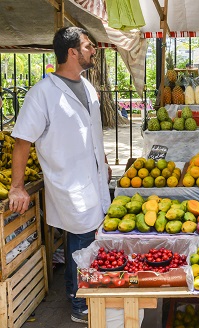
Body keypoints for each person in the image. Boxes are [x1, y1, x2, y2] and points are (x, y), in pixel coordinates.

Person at [8, 27, 111, 324]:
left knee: (85, 239)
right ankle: (79, 300)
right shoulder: (43, 93)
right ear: (72, 52)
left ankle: (84, 291)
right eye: (88, 46)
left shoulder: (88, 87)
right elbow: (22, 140)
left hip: (93, 177)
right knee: (80, 238)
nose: (93, 50)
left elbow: (93, 132)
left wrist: (102, 160)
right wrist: (17, 187)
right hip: (69, 181)